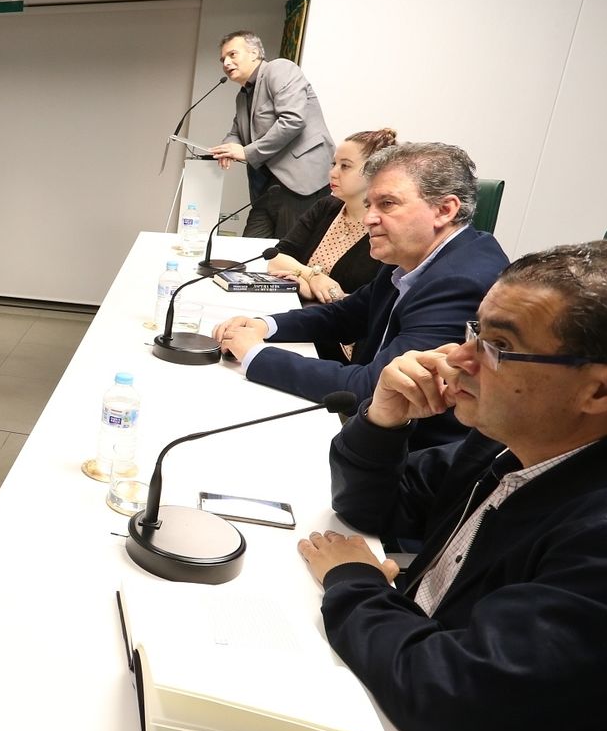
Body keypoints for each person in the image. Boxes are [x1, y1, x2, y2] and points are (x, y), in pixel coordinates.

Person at [297, 240, 607, 731]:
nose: (460, 357)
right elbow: (374, 507)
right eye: (473, 330)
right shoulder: (515, 440)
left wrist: (356, 583)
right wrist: (384, 418)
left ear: (606, 388)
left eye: (499, 346)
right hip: (405, 694)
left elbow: (449, 694)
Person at [214, 142, 508, 447]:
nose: (369, 218)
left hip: (414, 453)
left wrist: (255, 354)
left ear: (445, 210)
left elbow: (374, 389)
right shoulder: (412, 255)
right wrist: (264, 325)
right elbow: (346, 315)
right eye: (369, 205)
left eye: (387, 204)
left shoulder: (461, 282)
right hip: (370, 426)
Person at [265, 128, 398, 360]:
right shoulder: (327, 207)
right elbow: (276, 256)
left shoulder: (384, 229)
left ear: (376, 173)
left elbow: (369, 306)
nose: (333, 173)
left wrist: (310, 286)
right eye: (334, 164)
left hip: (341, 342)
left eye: (345, 166)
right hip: (302, 317)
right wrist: (312, 276)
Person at [208, 30, 336, 239]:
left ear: (254, 53)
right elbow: (236, 133)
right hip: (266, 189)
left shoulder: (279, 69)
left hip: (301, 183)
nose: (226, 63)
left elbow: (293, 120)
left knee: (288, 253)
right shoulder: (242, 96)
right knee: (247, 250)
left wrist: (246, 153)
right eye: (223, 59)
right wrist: (227, 148)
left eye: (232, 54)